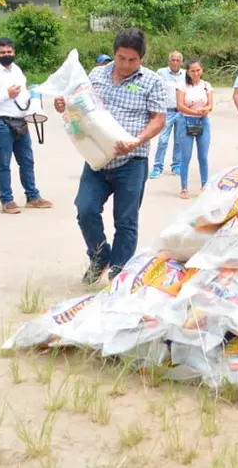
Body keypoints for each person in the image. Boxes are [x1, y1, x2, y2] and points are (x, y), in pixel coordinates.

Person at [54, 28, 167, 285]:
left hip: (132, 160)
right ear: (114, 54)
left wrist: (137, 140)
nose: (125, 65)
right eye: (121, 58)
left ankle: (120, 272)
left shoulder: (152, 81)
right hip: (97, 159)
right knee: (85, 209)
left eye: (132, 60)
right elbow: (78, 105)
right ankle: (100, 255)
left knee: (125, 220)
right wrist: (63, 105)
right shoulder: (96, 75)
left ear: (141, 58)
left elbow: (158, 119)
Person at [0, 37, 53, 214]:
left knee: (27, 160)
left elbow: (22, 93)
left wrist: (34, 101)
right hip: (0, 122)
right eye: (2, 53)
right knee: (4, 163)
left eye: (9, 52)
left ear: (14, 52)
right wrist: (5, 95)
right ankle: (7, 200)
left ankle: (32, 196)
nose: (6, 55)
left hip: (21, 121)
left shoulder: (17, 70)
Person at [176, 59, 214, 199]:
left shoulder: (206, 85)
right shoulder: (182, 86)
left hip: (203, 121)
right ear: (188, 72)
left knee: (203, 156)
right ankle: (184, 187)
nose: (196, 73)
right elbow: (180, 105)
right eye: (193, 71)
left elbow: (211, 104)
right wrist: (194, 113)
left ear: (202, 70)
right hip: (186, 121)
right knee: (185, 156)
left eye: (198, 70)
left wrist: (205, 109)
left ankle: (204, 185)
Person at [150, 51, 185, 179]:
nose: (175, 62)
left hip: (181, 112)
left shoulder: (186, 74)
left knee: (179, 141)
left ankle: (176, 165)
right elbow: (154, 88)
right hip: (166, 111)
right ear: (169, 61)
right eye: (173, 60)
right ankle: (157, 166)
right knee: (163, 140)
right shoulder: (161, 73)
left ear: (181, 62)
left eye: (178, 60)